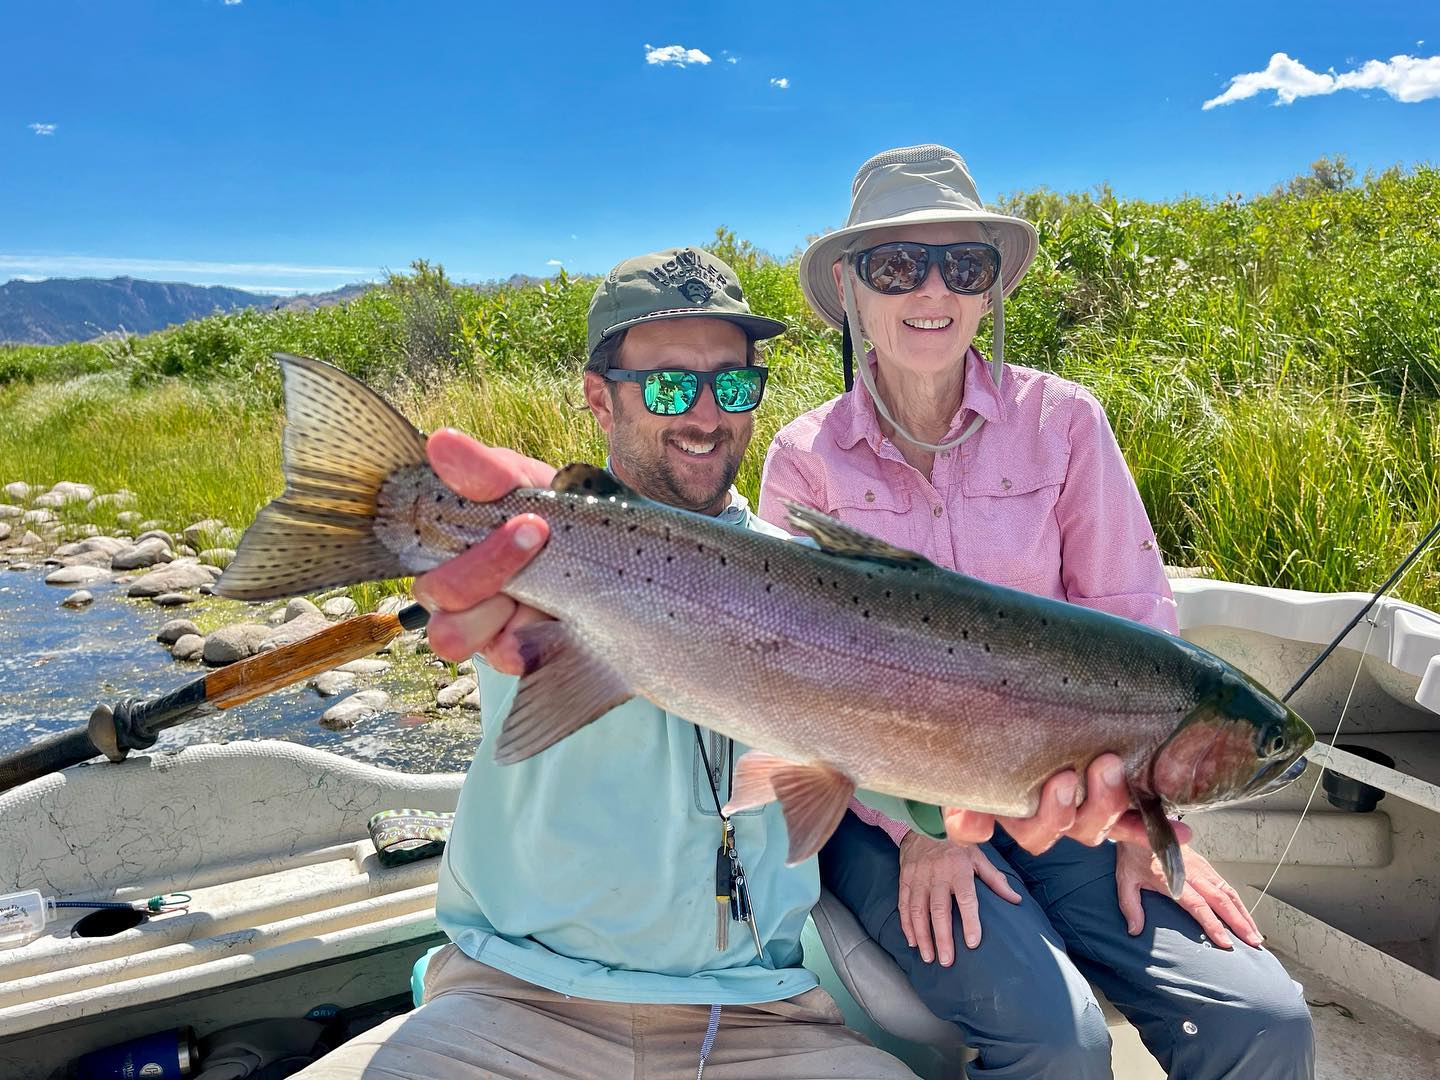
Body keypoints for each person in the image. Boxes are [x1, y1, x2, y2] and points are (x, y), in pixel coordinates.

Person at [295, 245, 1148, 1079]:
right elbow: (483, 605)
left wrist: (959, 809)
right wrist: (461, 546)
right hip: (513, 1005)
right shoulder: (544, 554)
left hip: (759, 1020)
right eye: (670, 385)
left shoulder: (819, 581)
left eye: (732, 384)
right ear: (601, 398)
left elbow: (890, 777)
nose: (706, 415)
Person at [758, 144, 1316, 1078]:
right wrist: (921, 831)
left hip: (1066, 800)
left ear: (988, 292)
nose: (930, 288)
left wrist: (1156, 828)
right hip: (881, 811)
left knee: (1267, 1019)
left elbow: (1140, 637)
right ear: (851, 291)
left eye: (961, 265)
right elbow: (788, 676)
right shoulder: (805, 456)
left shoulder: (1065, 423)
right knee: (1059, 1041)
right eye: (897, 265)